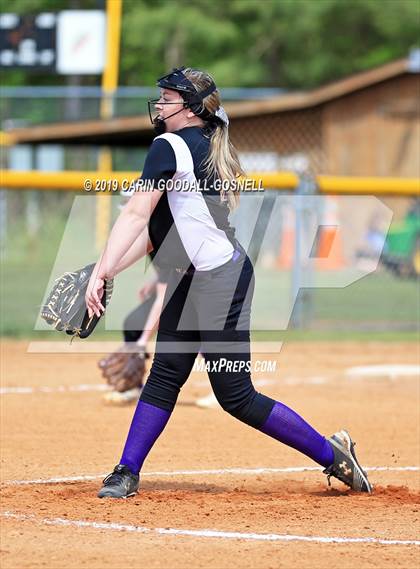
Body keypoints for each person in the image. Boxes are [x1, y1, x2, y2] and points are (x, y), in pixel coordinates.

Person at [86, 66, 372, 499]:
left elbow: (135, 215)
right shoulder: (196, 145)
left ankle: (335, 457)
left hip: (221, 279)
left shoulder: (171, 145)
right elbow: (152, 234)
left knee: (236, 396)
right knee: (165, 376)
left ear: (191, 109)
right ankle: (125, 471)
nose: (160, 104)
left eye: (168, 98)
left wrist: (102, 271)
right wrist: (104, 271)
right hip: (192, 276)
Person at [99, 265, 168, 405]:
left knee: (201, 334)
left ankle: (221, 384)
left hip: (203, 291)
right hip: (177, 284)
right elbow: (167, 270)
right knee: (133, 324)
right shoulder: (153, 244)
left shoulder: (169, 246)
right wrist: (155, 280)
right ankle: (134, 385)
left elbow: (163, 300)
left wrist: (143, 341)